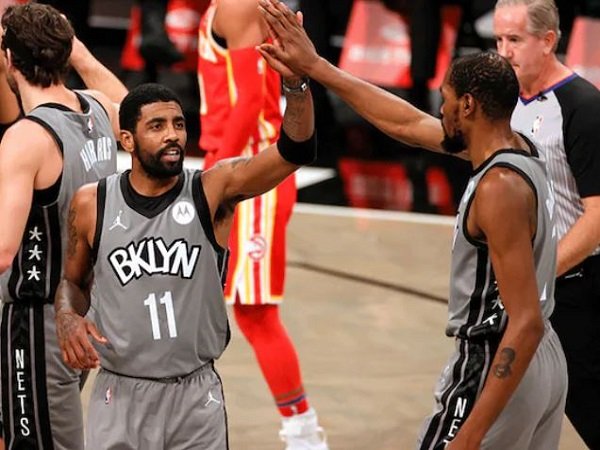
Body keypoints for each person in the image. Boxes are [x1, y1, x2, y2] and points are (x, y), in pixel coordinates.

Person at [258, 1, 568, 448]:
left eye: (443, 100)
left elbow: (525, 322)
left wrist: (470, 434)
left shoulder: (499, 188)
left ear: (467, 106)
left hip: (498, 357)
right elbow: (403, 122)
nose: (438, 111)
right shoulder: (522, 147)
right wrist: (317, 67)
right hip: (544, 368)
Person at [53, 79, 316, 449]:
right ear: (127, 140)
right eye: (157, 126)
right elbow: (73, 282)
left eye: (178, 124)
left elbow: (295, 149)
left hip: (194, 396)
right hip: (120, 391)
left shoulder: (212, 190)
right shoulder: (91, 202)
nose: (173, 135)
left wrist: (296, 85)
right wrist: (66, 316)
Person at [197, 1, 328, 448]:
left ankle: (304, 432)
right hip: (242, 170)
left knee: (255, 312)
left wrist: (213, 181)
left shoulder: (235, 6)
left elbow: (250, 101)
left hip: (251, 176)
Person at [0, 3, 123, 448]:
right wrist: (85, 58)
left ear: (9, 59)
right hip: (87, 313)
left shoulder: (28, 137)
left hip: (38, 325)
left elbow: (2, 251)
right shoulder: (96, 111)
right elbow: (135, 110)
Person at [494, 1, 600, 448]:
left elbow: (597, 217)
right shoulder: (501, 102)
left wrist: (537, 272)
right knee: (509, 414)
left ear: (549, 40)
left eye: (514, 40)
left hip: (578, 293)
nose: (503, 52)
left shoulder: (583, 107)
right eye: (497, 40)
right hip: (529, 293)